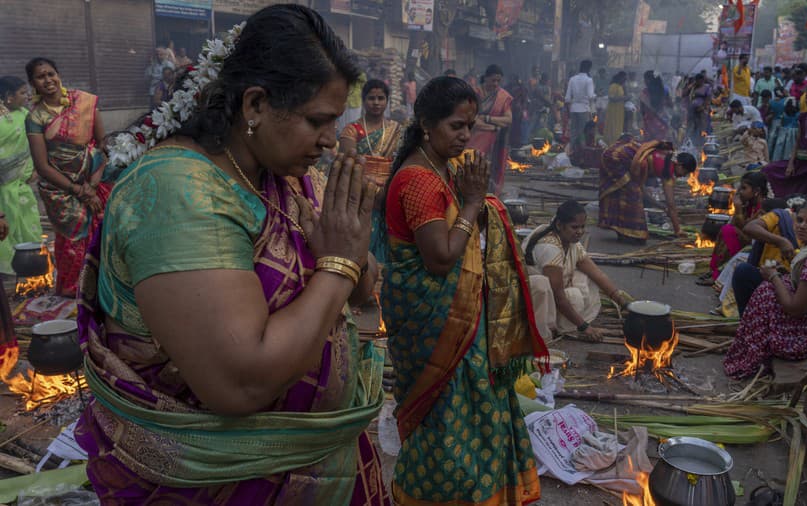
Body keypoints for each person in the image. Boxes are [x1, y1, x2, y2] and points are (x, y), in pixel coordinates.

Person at [73, 6, 390, 503]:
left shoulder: (285, 175)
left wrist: (351, 261)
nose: (330, 140)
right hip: (217, 481)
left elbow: (367, 286)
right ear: (256, 104)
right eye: (317, 121)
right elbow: (238, 384)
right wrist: (339, 267)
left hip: (313, 464)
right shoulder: (179, 192)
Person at [381, 76, 546, 505]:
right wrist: (473, 202)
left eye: (470, 126)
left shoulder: (441, 168)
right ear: (425, 124)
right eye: (456, 126)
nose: (466, 136)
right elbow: (440, 258)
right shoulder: (418, 179)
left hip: (460, 318)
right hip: (434, 322)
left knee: (476, 408)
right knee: (445, 418)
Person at [724, 193, 807, 379]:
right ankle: (750, 339)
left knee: (759, 286)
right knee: (746, 274)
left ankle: (756, 348)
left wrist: (774, 277)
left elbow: (795, 309)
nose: (802, 226)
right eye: (800, 220)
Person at [25, 58, 109, 297]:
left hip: (94, 178)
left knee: (102, 233)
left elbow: (102, 144)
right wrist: (80, 191)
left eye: (51, 73)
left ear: (58, 74)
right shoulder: (35, 118)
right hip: (60, 190)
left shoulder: (84, 101)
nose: (48, 80)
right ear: (33, 83)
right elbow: (42, 166)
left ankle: (102, 289)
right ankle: (75, 292)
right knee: (72, 243)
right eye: (41, 77)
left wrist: (92, 184)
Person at [524, 200, 632, 340]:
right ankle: (556, 326)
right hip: (538, 302)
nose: (580, 232)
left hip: (557, 294)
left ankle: (568, 323)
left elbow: (597, 274)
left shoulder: (570, 242)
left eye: (582, 227)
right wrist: (584, 327)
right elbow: (558, 296)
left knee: (586, 276)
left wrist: (623, 303)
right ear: (559, 225)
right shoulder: (550, 248)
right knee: (571, 293)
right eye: (574, 227)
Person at [339, 79, 402, 264]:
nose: (376, 102)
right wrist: (368, 186)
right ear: (364, 100)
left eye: (381, 98)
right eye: (371, 98)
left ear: (387, 101)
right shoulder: (352, 130)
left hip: (389, 191)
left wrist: (388, 186)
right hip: (360, 190)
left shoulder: (395, 130)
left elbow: (400, 161)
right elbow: (347, 162)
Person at [597, 136, 697, 243]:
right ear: (680, 166)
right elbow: (671, 204)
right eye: (685, 173)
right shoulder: (668, 171)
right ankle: (628, 232)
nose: (682, 176)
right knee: (632, 194)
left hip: (615, 152)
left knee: (626, 191)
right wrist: (678, 230)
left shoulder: (668, 156)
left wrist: (660, 206)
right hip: (615, 158)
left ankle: (622, 230)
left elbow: (643, 191)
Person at [0, 76, 42, 274]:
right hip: (2, 188)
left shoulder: (25, 114)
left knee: (28, 220)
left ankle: (31, 263)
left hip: (21, 184)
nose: (27, 96)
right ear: (8, 97)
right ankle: (8, 268)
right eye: (23, 93)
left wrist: (35, 169)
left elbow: (33, 144)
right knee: (7, 227)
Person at [700, 172, 767, 285]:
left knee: (729, 231)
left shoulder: (763, 207)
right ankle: (715, 271)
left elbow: (747, 229)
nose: (740, 191)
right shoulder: (750, 203)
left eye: (744, 188)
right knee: (727, 229)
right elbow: (735, 223)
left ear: (757, 191)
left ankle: (718, 275)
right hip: (746, 238)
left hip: (757, 244)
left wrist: (739, 209)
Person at [762, 84, 807, 197]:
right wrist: (790, 163)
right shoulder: (802, 117)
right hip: (798, 161)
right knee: (768, 169)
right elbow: (798, 141)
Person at [469, 64, 513, 194]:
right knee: (473, 171)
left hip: (496, 143)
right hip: (475, 141)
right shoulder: (475, 94)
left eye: (499, 81)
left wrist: (487, 119)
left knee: (493, 173)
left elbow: (508, 120)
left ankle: (492, 198)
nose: (496, 84)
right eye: (493, 80)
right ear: (486, 78)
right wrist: (494, 127)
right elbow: (472, 120)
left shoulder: (502, 96)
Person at [565, 60, 596, 149]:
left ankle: (571, 151)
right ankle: (581, 153)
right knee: (582, 132)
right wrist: (597, 95)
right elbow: (590, 96)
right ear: (589, 69)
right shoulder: (589, 80)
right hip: (584, 109)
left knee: (573, 133)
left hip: (573, 109)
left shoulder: (572, 79)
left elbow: (567, 98)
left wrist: (568, 110)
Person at [639, 71, 672, 142]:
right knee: (662, 145)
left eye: (645, 79)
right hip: (662, 122)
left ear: (650, 80)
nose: (644, 81)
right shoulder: (664, 91)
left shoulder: (644, 92)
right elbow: (670, 105)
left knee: (650, 146)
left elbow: (642, 110)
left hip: (649, 124)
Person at [687, 72, 713, 145]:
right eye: (697, 80)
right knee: (693, 124)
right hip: (693, 109)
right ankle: (692, 139)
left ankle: (702, 139)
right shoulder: (694, 87)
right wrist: (691, 86)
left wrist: (703, 107)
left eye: (700, 80)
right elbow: (686, 94)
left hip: (702, 109)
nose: (698, 82)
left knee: (702, 124)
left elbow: (708, 98)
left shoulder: (706, 87)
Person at [604, 71, 627, 145]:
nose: (625, 79)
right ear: (620, 77)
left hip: (619, 110)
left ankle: (616, 141)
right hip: (613, 110)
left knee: (618, 126)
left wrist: (625, 88)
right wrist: (624, 98)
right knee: (613, 126)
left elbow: (624, 95)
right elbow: (612, 98)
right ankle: (611, 142)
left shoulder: (620, 86)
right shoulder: (613, 86)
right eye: (624, 78)